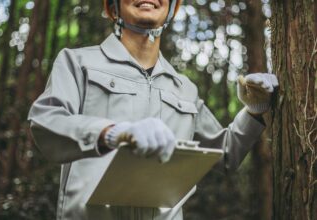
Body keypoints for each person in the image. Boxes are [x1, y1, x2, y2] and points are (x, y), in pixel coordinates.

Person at [28, 0, 279, 219]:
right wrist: (112, 132)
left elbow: (224, 154)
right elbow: (45, 121)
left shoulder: (184, 88)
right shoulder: (77, 62)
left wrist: (253, 110)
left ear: (171, 6)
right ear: (113, 6)